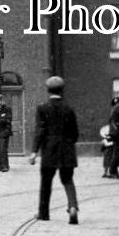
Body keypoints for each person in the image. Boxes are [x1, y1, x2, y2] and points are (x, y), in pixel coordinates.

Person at [30, 76, 80, 225]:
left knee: (46, 182)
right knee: (68, 180)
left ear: (48, 90)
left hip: (49, 151)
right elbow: (75, 134)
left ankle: (43, 213)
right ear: (62, 90)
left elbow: (40, 131)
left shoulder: (42, 108)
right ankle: (73, 207)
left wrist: (34, 152)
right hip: (67, 150)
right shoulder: (69, 109)